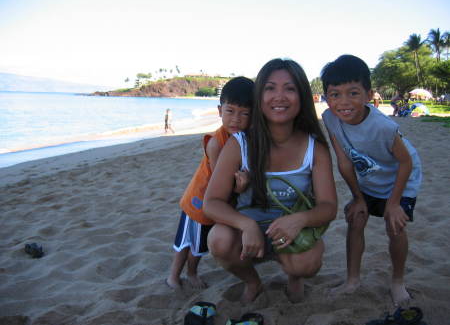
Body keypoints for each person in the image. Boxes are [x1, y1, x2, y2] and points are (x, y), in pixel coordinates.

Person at [204, 58, 337, 303]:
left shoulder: (314, 147)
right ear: (259, 96)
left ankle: (294, 277)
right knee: (218, 240)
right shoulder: (239, 144)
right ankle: (253, 282)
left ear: (302, 96)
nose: (279, 96)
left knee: (308, 262)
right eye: (270, 88)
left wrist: (300, 220)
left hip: (292, 233)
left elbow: (329, 207)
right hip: (247, 234)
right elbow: (211, 202)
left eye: (289, 88)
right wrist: (246, 225)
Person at [320, 55, 422, 306]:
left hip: (401, 177)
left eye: (353, 93)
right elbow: (344, 161)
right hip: (370, 178)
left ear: (368, 95)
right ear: (326, 97)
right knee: (356, 218)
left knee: (394, 224)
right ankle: (352, 280)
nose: (343, 102)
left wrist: (394, 202)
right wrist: (358, 198)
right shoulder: (330, 118)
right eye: (335, 94)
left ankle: (397, 282)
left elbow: (406, 162)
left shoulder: (383, 127)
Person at [166, 77, 254, 289]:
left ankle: (191, 272)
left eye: (244, 113)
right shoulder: (216, 143)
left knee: (200, 243)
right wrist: (239, 187)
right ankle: (174, 276)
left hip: (216, 202)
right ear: (219, 110)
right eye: (230, 111)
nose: (236, 119)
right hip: (199, 199)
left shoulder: (245, 137)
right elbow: (219, 181)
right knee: (186, 243)